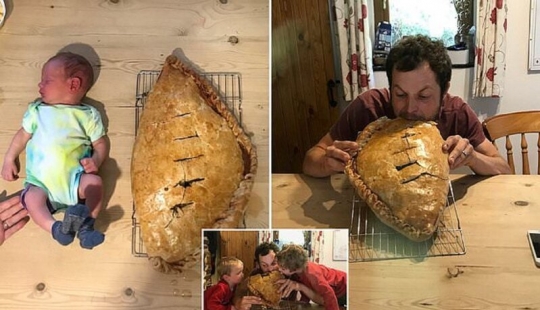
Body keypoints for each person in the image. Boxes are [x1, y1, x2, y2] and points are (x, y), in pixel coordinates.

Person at [303, 34, 511, 178]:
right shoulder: (369, 108)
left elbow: (504, 169)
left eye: (424, 96)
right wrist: (326, 162)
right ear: (390, 86)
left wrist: (472, 158)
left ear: (444, 89)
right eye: (400, 94)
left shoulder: (456, 113)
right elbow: (311, 158)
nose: (410, 109)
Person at [1, 52, 109, 249]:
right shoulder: (38, 111)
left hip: (75, 183)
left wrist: (96, 160)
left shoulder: (87, 116)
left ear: (73, 85)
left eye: (46, 81)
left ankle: (86, 226)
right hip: (42, 185)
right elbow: (22, 135)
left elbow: (101, 144)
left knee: (95, 183)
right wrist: (9, 158)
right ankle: (56, 229)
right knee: (31, 198)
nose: (39, 86)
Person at [233, 242, 321, 310]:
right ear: (258, 265)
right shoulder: (256, 275)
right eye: (264, 265)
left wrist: (300, 286)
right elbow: (239, 291)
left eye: (273, 263)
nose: (270, 269)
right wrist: (238, 303)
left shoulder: (291, 273)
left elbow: (321, 300)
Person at [276, 244, 347, 310]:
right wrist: (303, 304)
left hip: (344, 286)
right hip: (337, 290)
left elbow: (329, 294)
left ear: (294, 268)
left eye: (283, 268)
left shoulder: (312, 274)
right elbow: (305, 287)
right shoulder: (298, 272)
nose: (279, 269)